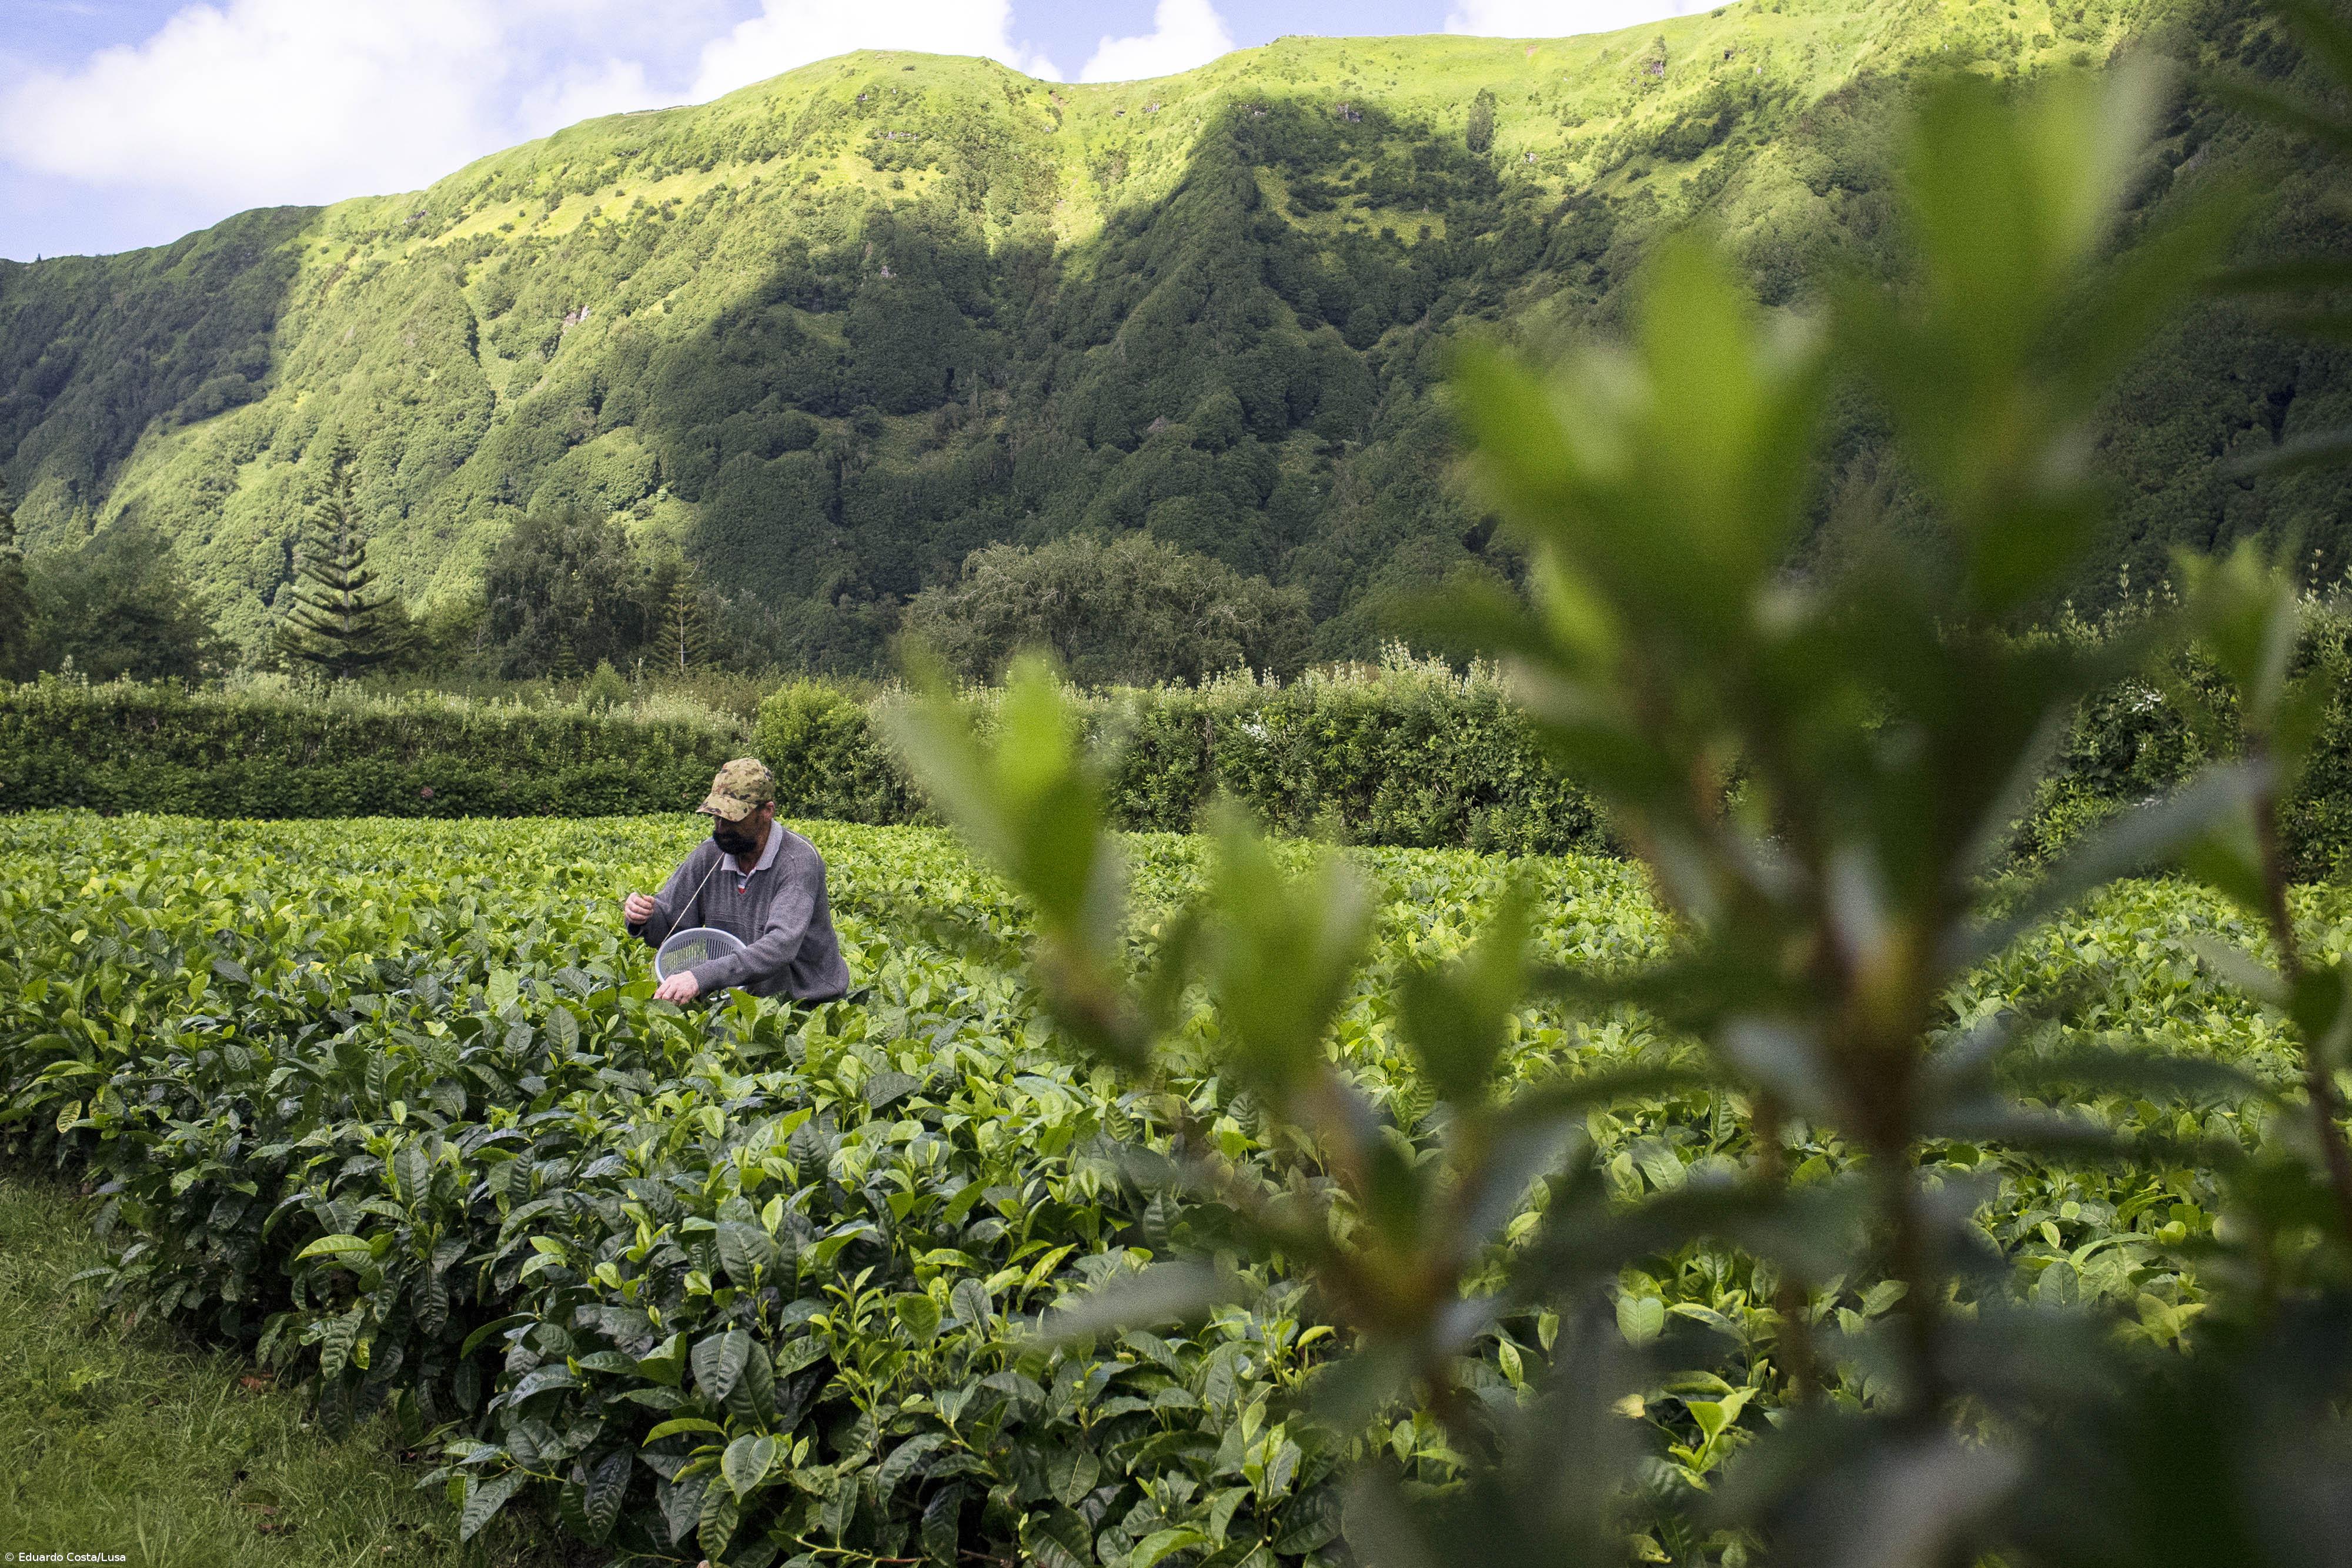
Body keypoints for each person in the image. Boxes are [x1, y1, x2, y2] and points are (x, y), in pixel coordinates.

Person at [622, 758, 850, 1004]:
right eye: (716, 817)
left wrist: (700, 977)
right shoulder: (710, 855)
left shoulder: (798, 861)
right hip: (739, 998)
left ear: (767, 812)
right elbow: (670, 927)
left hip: (806, 1002)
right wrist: (643, 917)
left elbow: (779, 947)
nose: (721, 828)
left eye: (732, 818)